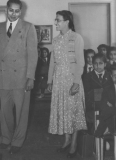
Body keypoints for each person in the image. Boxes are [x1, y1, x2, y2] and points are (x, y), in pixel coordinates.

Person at [0, 0, 38, 154]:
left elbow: (33, 54)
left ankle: (17, 140)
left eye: (17, 11)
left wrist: (31, 77)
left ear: (21, 12)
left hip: (22, 78)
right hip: (3, 77)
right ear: (6, 10)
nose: (14, 14)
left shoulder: (28, 27)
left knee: (21, 113)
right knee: (4, 112)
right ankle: (6, 138)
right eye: (11, 10)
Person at [47, 10, 87, 158]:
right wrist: (49, 80)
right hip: (58, 81)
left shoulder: (77, 38)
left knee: (74, 111)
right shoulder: (56, 40)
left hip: (72, 80)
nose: (56, 22)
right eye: (56, 20)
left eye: (58, 20)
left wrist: (76, 82)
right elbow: (52, 62)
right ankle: (66, 140)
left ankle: (74, 143)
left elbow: (81, 62)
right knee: (63, 110)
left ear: (67, 22)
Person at [83, 53, 113, 134]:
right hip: (93, 106)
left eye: (100, 63)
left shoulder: (110, 76)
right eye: (95, 63)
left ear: (105, 64)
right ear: (92, 64)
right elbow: (87, 94)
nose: (98, 66)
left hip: (108, 107)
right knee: (93, 129)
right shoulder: (87, 77)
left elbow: (111, 92)